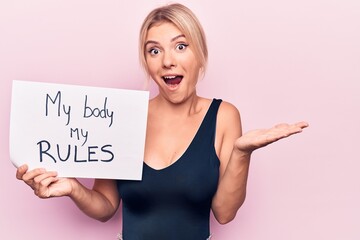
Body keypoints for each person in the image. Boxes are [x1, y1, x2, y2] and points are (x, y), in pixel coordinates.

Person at [16, 3, 308, 240]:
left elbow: (224, 213)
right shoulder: (121, 115)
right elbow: (105, 207)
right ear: (147, 61)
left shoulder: (224, 116)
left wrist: (243, 152)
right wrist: (73, 187)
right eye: (154, 50)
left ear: (200, 55)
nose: (167, 60)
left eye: (180, 46)